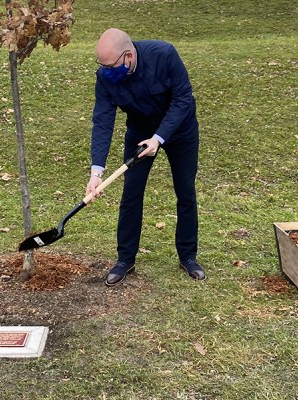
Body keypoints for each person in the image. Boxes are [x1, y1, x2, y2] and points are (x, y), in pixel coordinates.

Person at [85, 28, 206, 286]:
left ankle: (188, 255)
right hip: (139, 132)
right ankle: (125, 259)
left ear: (128, 56)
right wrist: (96, 173)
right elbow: (103, 121)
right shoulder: (106, 77)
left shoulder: (164, 55)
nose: (106, 71)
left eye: (111, 65)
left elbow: (183, 99)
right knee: (131, 194)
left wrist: (159, 138)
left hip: (180, 131)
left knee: (185, 191)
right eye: (102, 66)